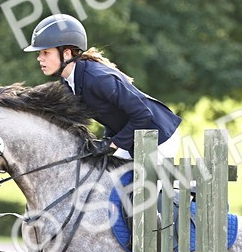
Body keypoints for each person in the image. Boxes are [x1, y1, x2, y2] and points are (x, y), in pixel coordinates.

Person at [23, 14, 181, 159]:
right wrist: (107, 140)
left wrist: (113, 144)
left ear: (66, 54)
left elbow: (143, 115)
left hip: (158, 138)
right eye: (39, 54)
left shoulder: (97, 79)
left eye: (45, 53)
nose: (39, 58)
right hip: (135, 139)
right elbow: (112, 115)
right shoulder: (70, 81)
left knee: (140, 190)